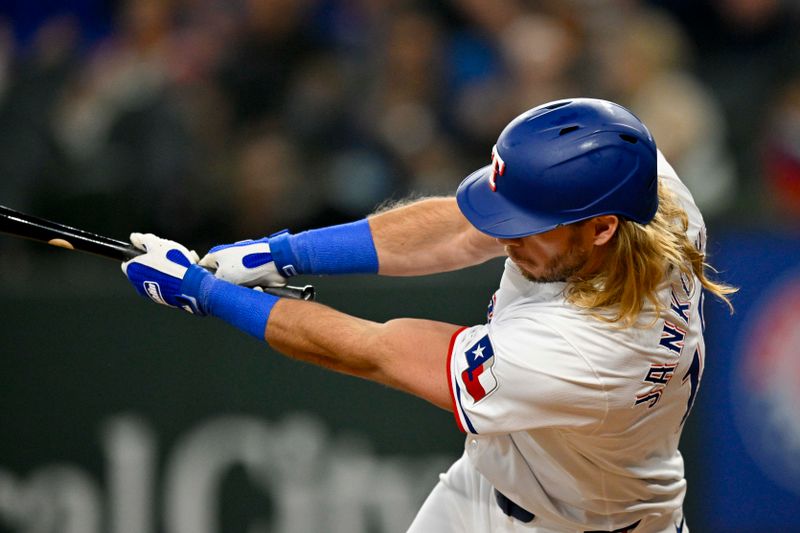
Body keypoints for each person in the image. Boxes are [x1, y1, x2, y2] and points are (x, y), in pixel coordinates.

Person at [122, 98, 735, 532]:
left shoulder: (592, 352)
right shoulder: (643, 188)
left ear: (602, 228)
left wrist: (207, 293)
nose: (507, 235)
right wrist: (279, 254)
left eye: (527, 226)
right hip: (489, 492)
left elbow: (375, 350)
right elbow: (461, 229)